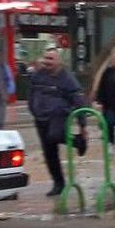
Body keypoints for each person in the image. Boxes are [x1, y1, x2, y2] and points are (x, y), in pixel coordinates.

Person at [28, 49, 86, 197]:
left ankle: (77, 141)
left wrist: (82, 124)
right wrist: (33, 109)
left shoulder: (67, 78)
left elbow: (78, 100)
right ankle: (58, 183)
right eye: (46, 58)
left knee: (54, 136)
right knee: (49, 152)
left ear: (59, 61)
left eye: (51, 59)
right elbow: (32, 93)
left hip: (59, 114)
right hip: (40, 117)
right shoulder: (38, 75)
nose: (47, 61)